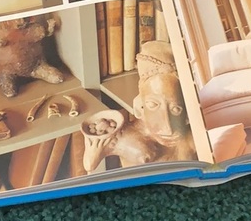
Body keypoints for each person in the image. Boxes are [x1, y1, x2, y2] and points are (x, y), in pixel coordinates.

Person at [82, 41, 196, 171]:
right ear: (138, 107)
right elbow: (89, 164)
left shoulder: (190, 135)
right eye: (153, 105)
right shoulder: (124, 136)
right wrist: (94, 146)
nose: (167, 128)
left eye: (176, 109)